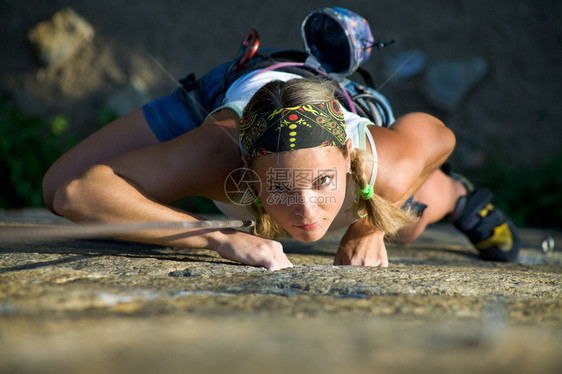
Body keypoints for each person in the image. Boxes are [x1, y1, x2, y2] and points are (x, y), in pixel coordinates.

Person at [42, 7, 520, 271]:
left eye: (322, 183)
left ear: (348, 157)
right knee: (54, 184)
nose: (307, 213)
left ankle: (458, 198)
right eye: (282, 189)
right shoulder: (216, 156)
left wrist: (370, 226)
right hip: (226, 92)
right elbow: (75, 192)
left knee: (406, 220)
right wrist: (215, 237)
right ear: (247, 174)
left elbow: (440, 137)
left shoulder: (382, 165)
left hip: (342, 113)